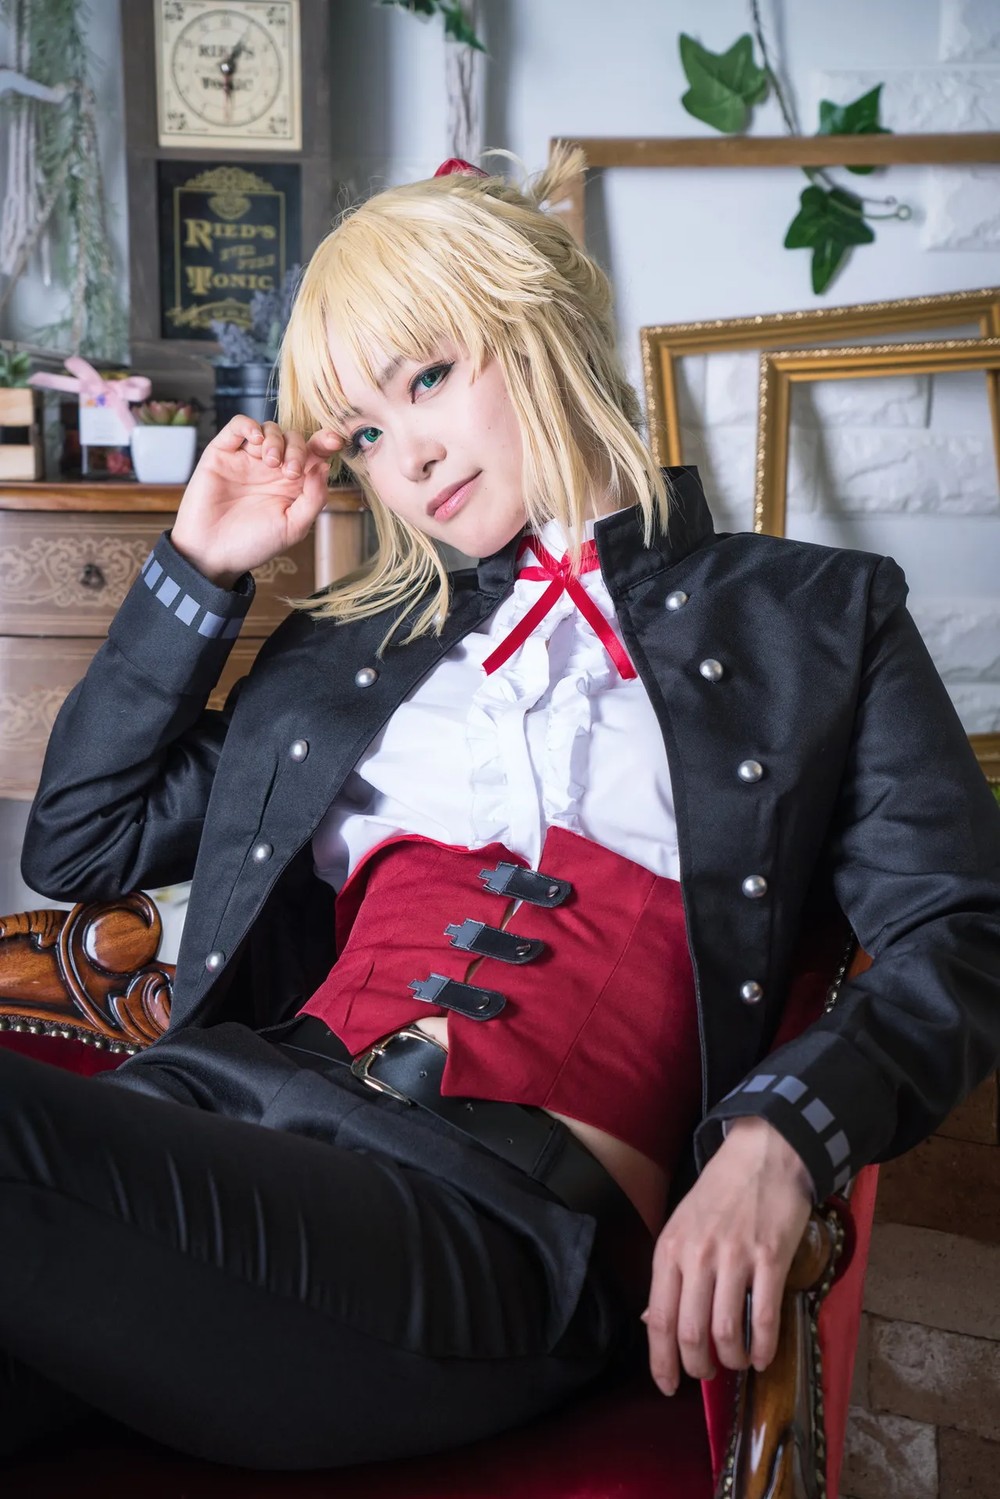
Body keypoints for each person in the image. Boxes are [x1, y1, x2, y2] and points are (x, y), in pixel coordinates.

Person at [3, 149, 1000, 1472]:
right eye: (364, 434)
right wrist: (198, 566)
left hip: (482, 1221)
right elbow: (81, 841)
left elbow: (958, 931)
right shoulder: (349, 652)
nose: (409, 457)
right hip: (217, 1116)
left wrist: (780, 1135)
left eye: (426, 378)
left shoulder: (812, 617)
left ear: (535, 316)